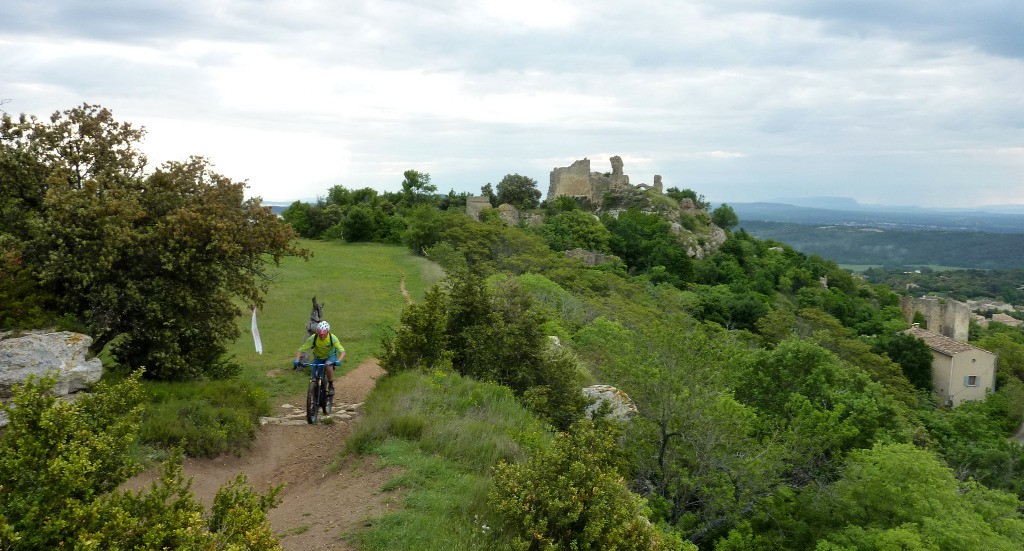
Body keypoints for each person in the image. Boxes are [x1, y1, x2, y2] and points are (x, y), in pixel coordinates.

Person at [294, 320, 346, 395]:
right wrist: (297, 360)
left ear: (327, 332)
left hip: (330, 357)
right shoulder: (313, 338)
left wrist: (339, 360)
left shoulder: (332, 338)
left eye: (323, 334)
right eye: (320, 334)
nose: (321, 336)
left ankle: (331, 385)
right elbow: (301, 350)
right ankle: (314, 395)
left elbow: (342, 352)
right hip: (318, 358)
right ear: (317, 332)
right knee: (313, 378)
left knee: (328, 366)